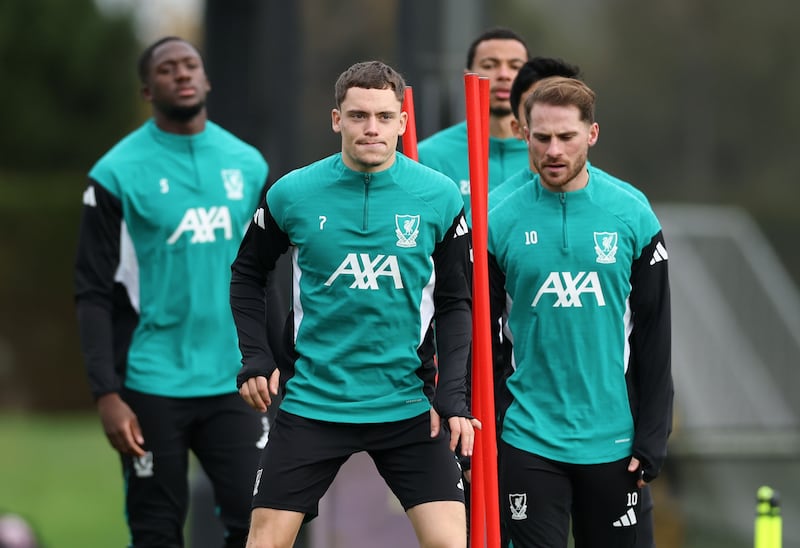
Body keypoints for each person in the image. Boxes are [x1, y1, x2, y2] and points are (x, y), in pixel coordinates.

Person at [229, 60, 479, 548]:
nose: (372, 128)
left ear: (403, 123)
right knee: (263, 543)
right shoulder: (292, 193)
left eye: (384, 117)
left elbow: (456, 303)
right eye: (359, 115)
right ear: (336, 119)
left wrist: (452, 395)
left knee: (451, 543)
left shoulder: (440, 196)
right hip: (314, 402)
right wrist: (255, 357)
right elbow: (247, 273)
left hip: (407, 404)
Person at [74, 36, 270, 547]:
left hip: (235, 382)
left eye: (190, 65)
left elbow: (263, 275)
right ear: (147, 89)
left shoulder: (247, 164)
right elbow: (92, 291)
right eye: (167, 69)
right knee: (156, 530)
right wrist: (106, 395)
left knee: (262, 522)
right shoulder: (114, 175)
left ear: (205, 80)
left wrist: (274, 360)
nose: (181, 74)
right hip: (150, 383)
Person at [487, 77, 673, 547]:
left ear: (591, 134)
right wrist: (492, 426)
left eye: (566, 137)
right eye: (542, 136)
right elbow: (483, 336)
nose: (553, 149)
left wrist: (653, 435)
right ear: (523, 133)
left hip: (614, 439)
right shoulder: (497, 217)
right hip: (528, 436)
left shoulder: (632, 214)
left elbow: (653, 334)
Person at [417, 27, 530, 221]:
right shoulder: (429, 157)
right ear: (466, 76)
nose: (504, 74)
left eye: (515, 66)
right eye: (489, 65)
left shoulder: (550, 155)